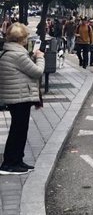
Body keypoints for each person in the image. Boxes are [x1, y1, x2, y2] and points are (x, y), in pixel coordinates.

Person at [0, 23, 45, 174]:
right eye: (26, 37)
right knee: (18, 131)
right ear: (21, 39)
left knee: (19, 129)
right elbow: (37, 72)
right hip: (19, 97)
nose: (27, 39)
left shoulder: (11, 52)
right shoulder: (18, 54)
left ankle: (17, 160)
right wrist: (40, 57)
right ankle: (10, 163)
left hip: (17, 96)